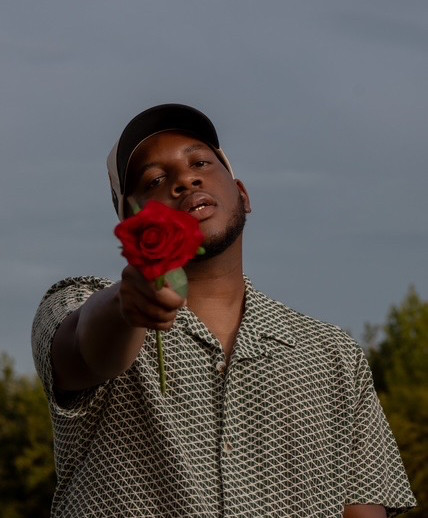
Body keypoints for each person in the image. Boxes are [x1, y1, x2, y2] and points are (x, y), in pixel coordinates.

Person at [32, 104, 416, 518]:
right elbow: (86, 349)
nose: (185, 180)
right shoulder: (79, 303)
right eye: (155, 180)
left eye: (200, 162)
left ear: (243, 195)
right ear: (131, 222)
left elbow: (362, 509)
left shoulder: (333, 354)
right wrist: (126, 306)